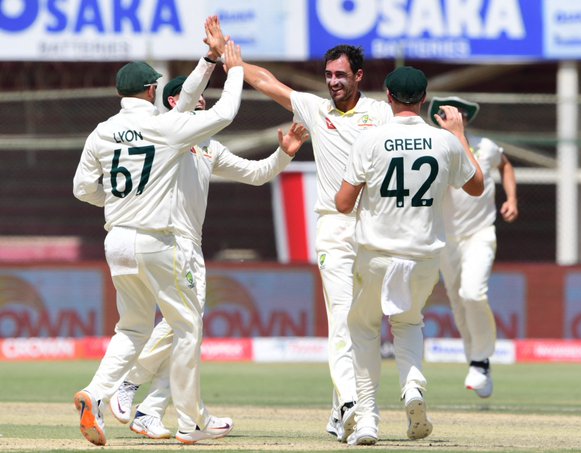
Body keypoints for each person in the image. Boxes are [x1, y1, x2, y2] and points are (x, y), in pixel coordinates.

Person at [71, 18, 244, 446]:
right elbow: (224, 112)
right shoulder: (165, 128)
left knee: (131, 329)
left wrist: (208, 60)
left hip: (118, 241)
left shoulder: (102, 131)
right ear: (152, 91)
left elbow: (81, 189)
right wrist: (232, 68)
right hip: (156, 240)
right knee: (186, 329)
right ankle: (191, 423)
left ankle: (96, 395)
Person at [107, 74, 309, 439]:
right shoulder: (165, 135)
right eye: (194, 98)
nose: (201, 102)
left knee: (187, 332)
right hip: (166, 241)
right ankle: (132, 384)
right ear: (173, 103)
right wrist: (219, 68)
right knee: (183, 327)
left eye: (204, 98)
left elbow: (256, 174)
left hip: (190, 247)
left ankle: (150, 411)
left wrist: (285, 152)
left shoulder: (208, 148)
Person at [242, 45, 393, 442]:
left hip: (375, 229)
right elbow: (266, 82)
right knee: (342, 317)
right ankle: (350, 404)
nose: (333, 82)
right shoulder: (315, 109)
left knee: (366, 326)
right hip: (334, 227)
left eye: (341, 75)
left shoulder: (380, 113)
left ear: (359, 76)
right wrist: (228, 59)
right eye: (328, 75)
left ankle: (337, 413)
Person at [335, 67, 484, 446]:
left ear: (388, 96)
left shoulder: (371, 140)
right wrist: (458, 134)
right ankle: (413, 388)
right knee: (409, 323)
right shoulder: (444, 142)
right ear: (424, 98)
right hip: (422, 257)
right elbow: (477, 186)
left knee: (364, 329)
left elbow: (343, 203)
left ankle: (368, 419)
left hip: (376, 254)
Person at [427, 96, 518, 398]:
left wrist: (512, 199)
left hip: (480, 233)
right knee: (458, 303)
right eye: (447, 111)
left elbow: (505, 166)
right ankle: (478, 362)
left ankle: (480, 360)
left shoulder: (485, 146)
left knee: (472, 293)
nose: (454, 115)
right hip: (446, 240)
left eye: (459, 112)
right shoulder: (432, 147)